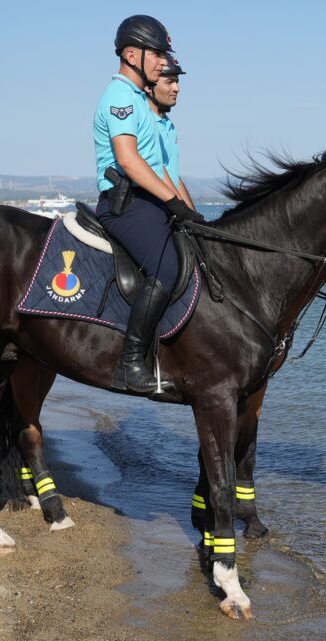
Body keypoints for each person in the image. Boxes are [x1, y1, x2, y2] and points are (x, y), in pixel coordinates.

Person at [92, 15, 204, 394]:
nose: (162, 61)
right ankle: (130, 363)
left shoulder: (140, 100)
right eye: (156, 53)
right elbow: (128, 160)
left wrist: (191, 215)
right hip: (125, 204)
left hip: (148, 201)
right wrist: (173, 202)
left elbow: (165, 171)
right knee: (166, 267)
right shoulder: (120, 96)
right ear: (130, 54)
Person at [146, 55, 196, 209]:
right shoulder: (146, 122)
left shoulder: (167, 124)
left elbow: (172, 176)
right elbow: (156, 172)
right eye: (169, 82)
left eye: (177, 82)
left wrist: (193, 216)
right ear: (148, 87)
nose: (176, 88)